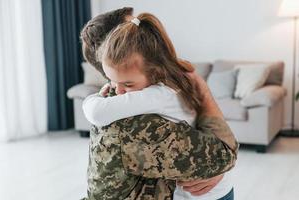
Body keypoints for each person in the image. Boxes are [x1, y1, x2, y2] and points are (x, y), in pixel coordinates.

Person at [80, 8, 238, 200]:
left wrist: (93, 97)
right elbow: (223, 155)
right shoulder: (134, 111)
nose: (148, 38)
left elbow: (220, 155)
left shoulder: (161, 83)